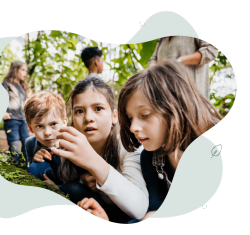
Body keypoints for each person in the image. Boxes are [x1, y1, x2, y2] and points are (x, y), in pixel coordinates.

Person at [77, 59, 222, 223]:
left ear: (174, 105)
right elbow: (155, 210)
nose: (133, 128)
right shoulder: (150, 158)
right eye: (130, 118)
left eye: (144, 115)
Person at [34, 77, 149, 223]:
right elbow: (69, 183)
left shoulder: (128, 146)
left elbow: (139, 210)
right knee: (71, 188)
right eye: (80, 111)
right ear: (73, 120)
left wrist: (93, 162)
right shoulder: (68, 146)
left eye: (98, 108)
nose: (88, 117)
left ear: (114, 116)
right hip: (94, 207)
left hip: (125, 216)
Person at [24, 91, 70, 189]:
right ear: (31, 128)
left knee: (75, 189)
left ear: (64, 122)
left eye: (53, 124)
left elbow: (73, 176)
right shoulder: (30, 143)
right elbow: (30, 169)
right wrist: (36, 156)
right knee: (35, 167)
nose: (47, 133)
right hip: (45, 182)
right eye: (39, 126)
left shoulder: (70, 143)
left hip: (67, 184)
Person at [148, 36, 218, 99]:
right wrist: (151, 73)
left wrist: (179, 61)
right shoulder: (163, 38)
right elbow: (153, 59)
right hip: (165, 93)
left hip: (191, 93)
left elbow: (210, 50)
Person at [2, 61, 30, 166]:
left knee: (27, 143)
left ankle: (24, 166)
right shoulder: (6, 83)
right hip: (11, 119)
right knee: (15, 146)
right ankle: (13, 167)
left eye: (26, 71)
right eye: (23, 70)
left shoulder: (22, 87)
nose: (25, 73)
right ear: (15, 70)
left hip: (22, 119)